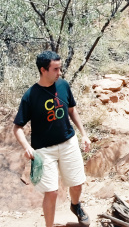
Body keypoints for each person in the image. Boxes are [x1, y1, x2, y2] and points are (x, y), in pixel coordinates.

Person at [13, 51, 92, 227]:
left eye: (60, 68)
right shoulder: (30, 96)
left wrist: (84, 134)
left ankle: (75, 205)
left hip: (68, 142)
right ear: (43, 70)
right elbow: (17, 127)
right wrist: (26, 146)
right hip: (43, 150)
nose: (60, 72)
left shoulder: (63, 85)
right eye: (55, 69)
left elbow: (72, 110)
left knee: (77, 184)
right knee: (52, 192)